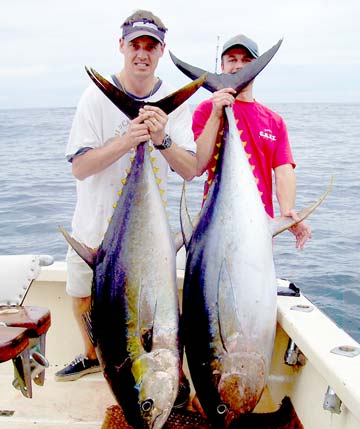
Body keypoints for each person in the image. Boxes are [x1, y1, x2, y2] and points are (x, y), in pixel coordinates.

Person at [56, 9, 196, 404]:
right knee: (82, 295)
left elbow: (189, 170)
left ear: (162, 51)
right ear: (122, 46)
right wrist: (128, 139)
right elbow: (80, 168)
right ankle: (89, 355)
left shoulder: (176, 106)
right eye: (135, 44)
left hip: (146, 240)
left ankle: (173, 374)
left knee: (154, 313)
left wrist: (162, 139)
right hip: (92, 228)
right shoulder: (93, 97)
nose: (142, 53)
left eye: (151, 46)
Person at [193, 34, 312, 249]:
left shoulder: (274, 121)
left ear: (258, 67)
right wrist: (217, 114)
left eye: (247, 61)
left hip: (258, 227)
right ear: (222, 65)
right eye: (232, 59)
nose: (239, 66)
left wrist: (288, 212)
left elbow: (284, 171)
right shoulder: (206, 110)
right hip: (214, 225)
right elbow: (200, 164)